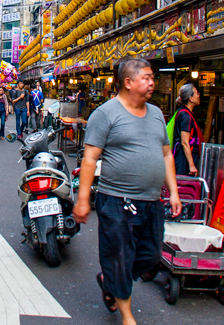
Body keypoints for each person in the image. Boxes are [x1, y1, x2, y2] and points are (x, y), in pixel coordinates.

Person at [73, 59, 181, 325]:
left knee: (151, 257)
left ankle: (110, 281)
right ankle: (127, 315)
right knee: (120, 258)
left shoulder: (156, 113)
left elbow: (166, 154)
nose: (152, 82)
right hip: (117, 201)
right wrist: (83, 199)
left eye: (152, 77)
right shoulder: (106, 114)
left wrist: (174, 192)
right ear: (128, 82)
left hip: (152, 202)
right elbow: (89, 159)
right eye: (146, 77)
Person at [171, 83, 203, 176]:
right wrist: (191, 165)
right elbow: (185, 142)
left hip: (183, 159)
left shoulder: (184, 113)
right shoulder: (185, 116)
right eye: (196, 93)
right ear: (191, 98)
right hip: (183, 160)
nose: (198, 96)